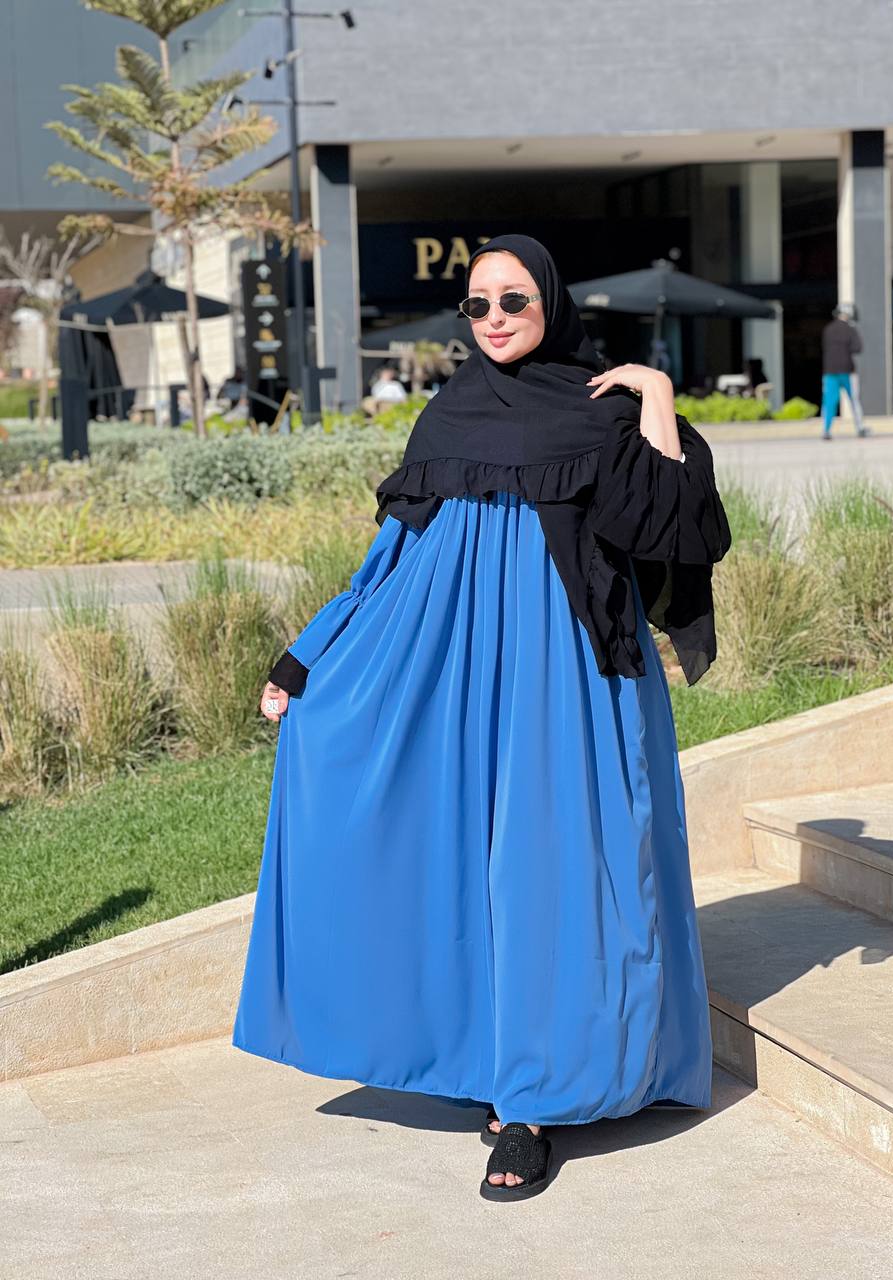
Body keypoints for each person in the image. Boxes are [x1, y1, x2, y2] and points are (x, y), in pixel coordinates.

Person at [233, 234, 731, 1202]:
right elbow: (389, 560)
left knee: (556, 875)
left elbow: (677, 527)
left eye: (514, 300)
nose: (495, 318)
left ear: (551, 302)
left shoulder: (602, 407)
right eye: (478, 304)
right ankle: (489, 1063)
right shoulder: (449, 414)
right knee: (459, 868)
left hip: (569, 675)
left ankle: (533, 1104)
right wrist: (307, 656)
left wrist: (658, 397)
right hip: (456, 667)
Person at [821, 304, 869, 439]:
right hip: (847, 370)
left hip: (829, 371)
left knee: (829, 402)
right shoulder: (850, 329)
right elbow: (858, 348)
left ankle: (826, 430)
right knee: (854, 400)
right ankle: (860, 428)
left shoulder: (828, 329)